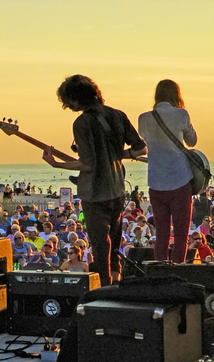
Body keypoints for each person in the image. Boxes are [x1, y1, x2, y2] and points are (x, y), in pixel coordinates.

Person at [41, 74, 146, 285]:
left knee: (100, 248)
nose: (68, 106)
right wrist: (114, 155)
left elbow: (87, 164)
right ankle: (117, 282)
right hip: (117, 190)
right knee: (114, 244)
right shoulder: (118, 115)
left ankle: (105, 290)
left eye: (68, 102)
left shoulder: (82, 122)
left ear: (77, 98)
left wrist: (57, 164)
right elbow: (140, 148)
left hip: (95, 193)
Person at [138, 79, 197, 263]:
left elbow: (144, 138)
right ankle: (178, 271)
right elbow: (192, 141)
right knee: (181, 235)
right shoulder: (181, 115)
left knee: (161, 234)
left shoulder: (144, 118)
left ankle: (159, 271)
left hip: (156, 182)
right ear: (176, 95)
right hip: (179, 180)